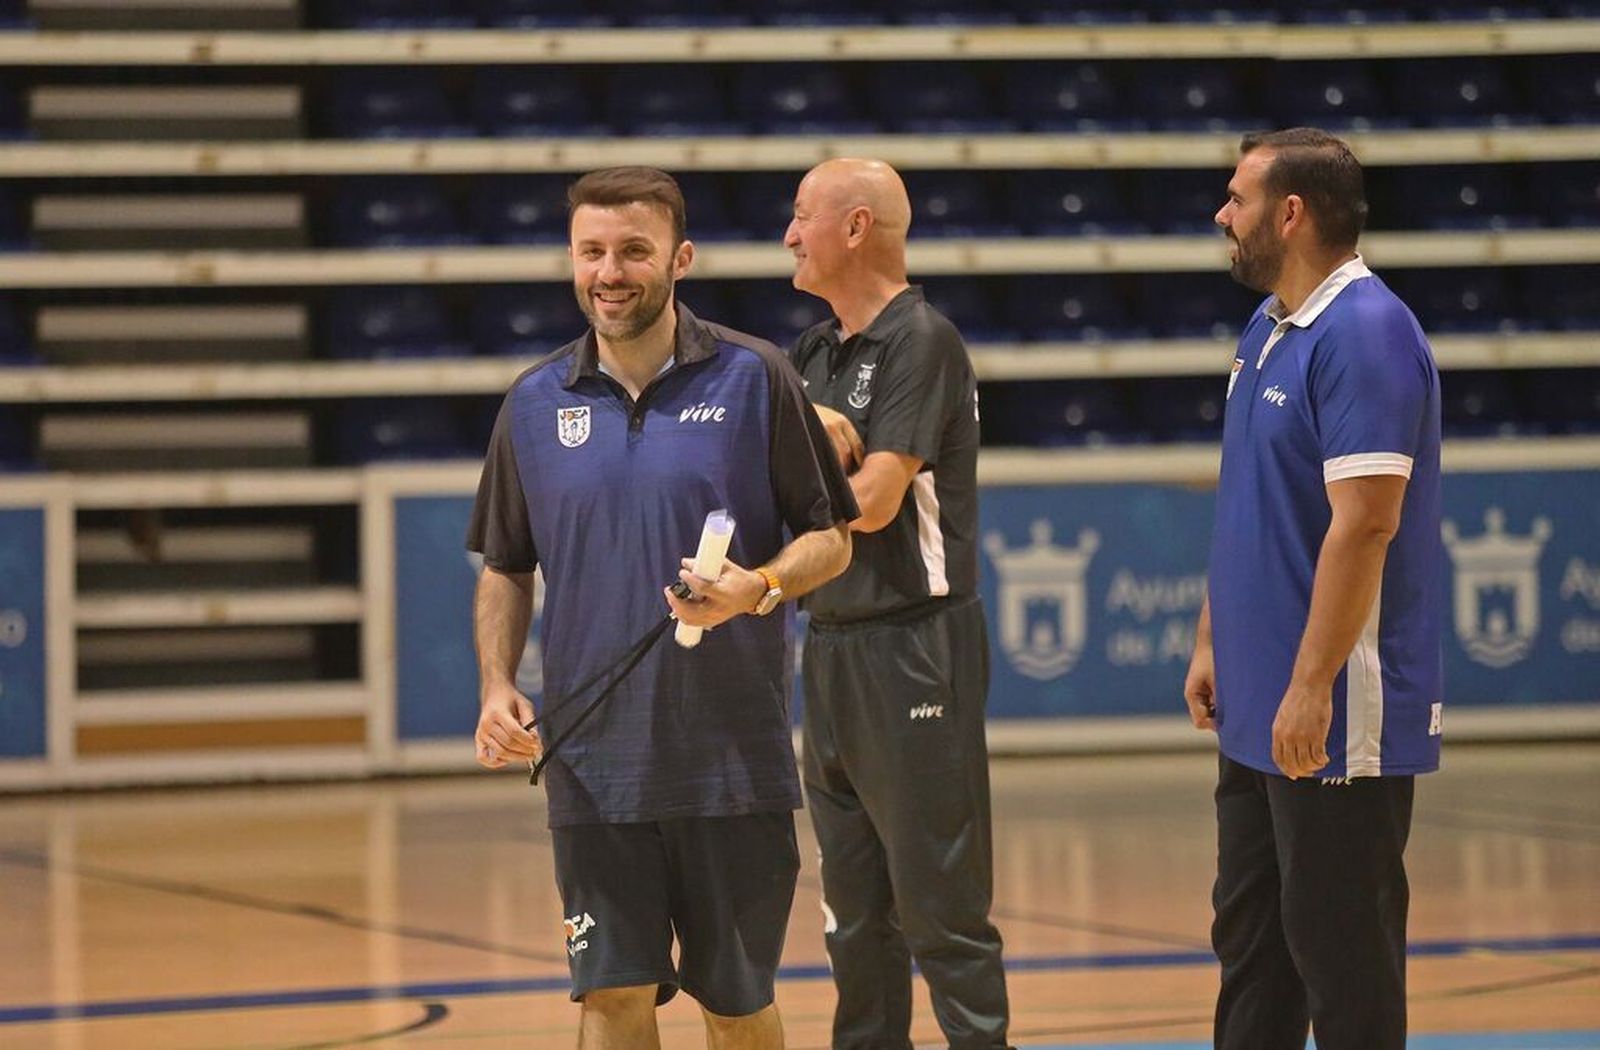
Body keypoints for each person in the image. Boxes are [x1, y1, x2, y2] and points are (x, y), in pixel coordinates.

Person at [467, 165, 857, 1050]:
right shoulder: (533, 403)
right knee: (611, 997)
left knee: (737, 1003)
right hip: (592, 768)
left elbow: (831, 537)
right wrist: (496, 686)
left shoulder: (757, 378)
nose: (610, 272)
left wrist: (756, 589)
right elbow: (504, 564)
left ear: (680, 258)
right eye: (591, 251)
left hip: (731, 763)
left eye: (634, 251)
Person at [1184, 128, 1444, 1050]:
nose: (1223, 215)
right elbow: (1250, 494)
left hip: (1330, 710)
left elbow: (1367, 522)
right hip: (1260, 702)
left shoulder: (1368, 333)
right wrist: (1215, 637)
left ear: (1290, 212)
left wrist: (1309, 684)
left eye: (1237, 198)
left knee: (1343, 960)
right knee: (1253, 949)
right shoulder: (1268, 329)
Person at [782, 158, 1012, 1050]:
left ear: (855, 227)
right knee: (851, 916)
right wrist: (807, 430)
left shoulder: (924, 341)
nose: (789, 236)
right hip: (830, 643)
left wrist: (807, 443)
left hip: (918, 644)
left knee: (941, 909)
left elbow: (873, 503)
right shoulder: (809, 353)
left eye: (803, 217)